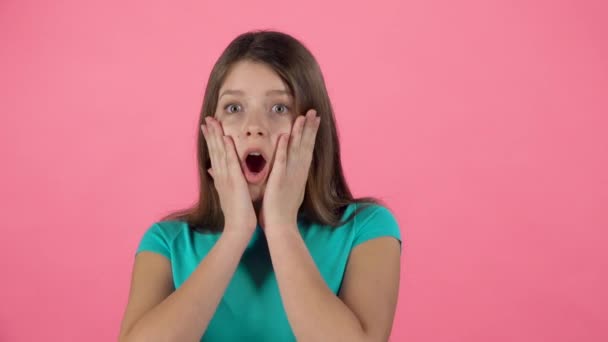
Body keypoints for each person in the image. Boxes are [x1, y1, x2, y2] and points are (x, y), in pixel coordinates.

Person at [119, 30, 402, 342]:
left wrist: (281, 226)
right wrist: (236, 233)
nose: (254, 127)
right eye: (234, 108)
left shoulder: (367, 228)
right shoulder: (167, 243)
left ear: (313, 130)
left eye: (279, 108)